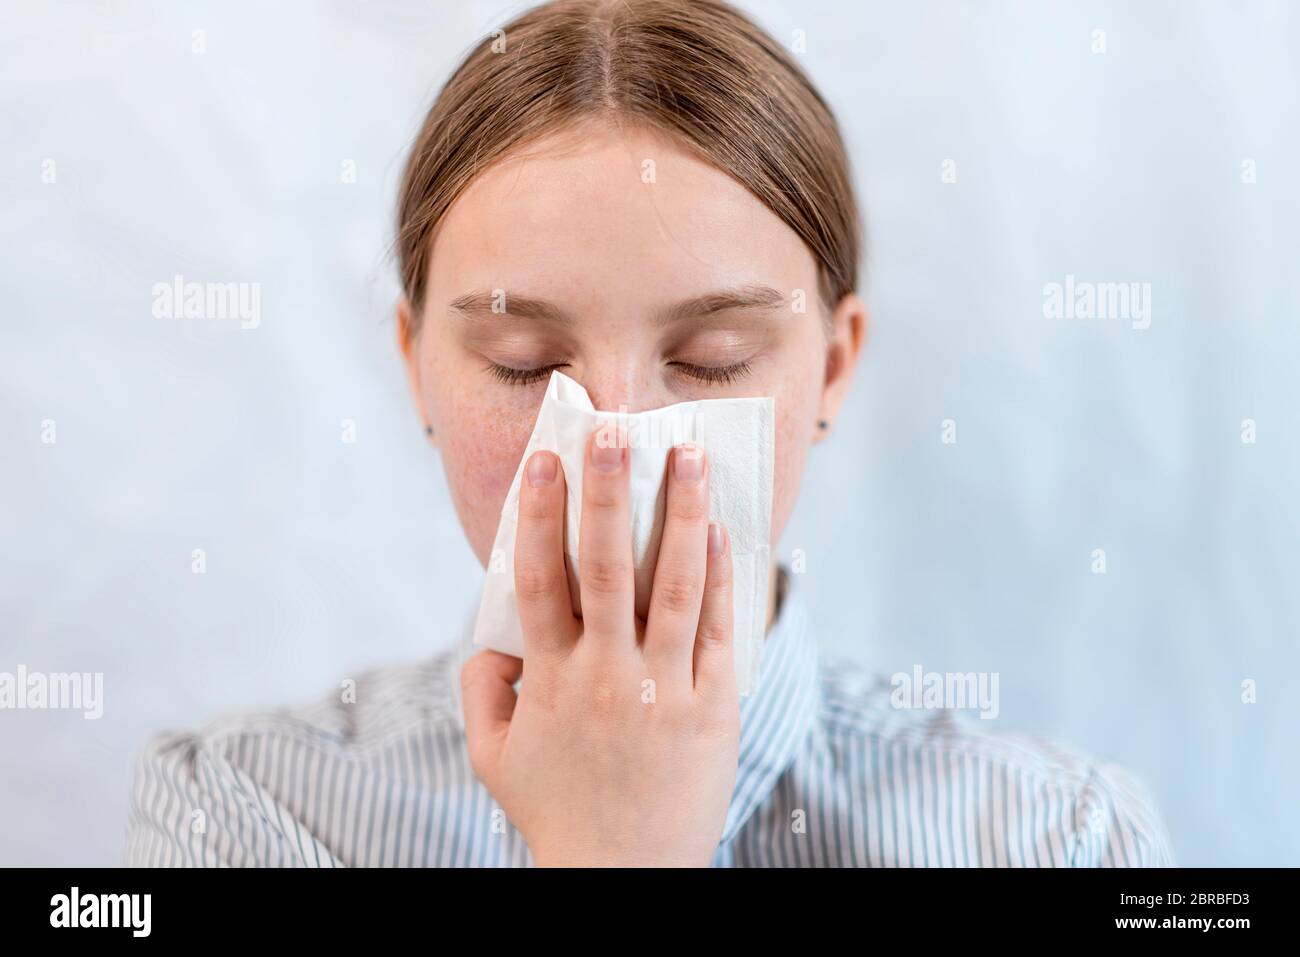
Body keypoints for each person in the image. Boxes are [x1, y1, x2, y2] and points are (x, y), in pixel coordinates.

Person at [126, 0, 1173, 867]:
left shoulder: (1053, 838)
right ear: (416, 369)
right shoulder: (241, 814)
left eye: (712, 358)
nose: (614, 443)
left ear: (834, 369)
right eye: (523, 362)